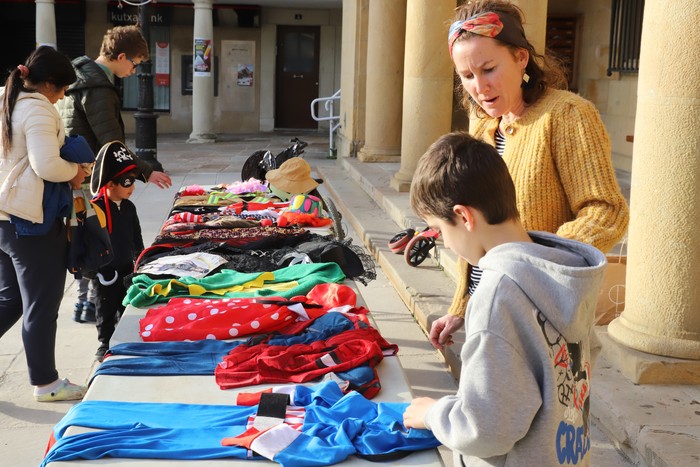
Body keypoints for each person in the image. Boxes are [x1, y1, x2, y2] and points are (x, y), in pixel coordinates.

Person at [429, 0, 629, 350]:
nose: (479, 87)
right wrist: (462, 306)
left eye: (489, 69)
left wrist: (538, 262)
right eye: (467, 76)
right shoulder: (482, 123)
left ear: (521, 58)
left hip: (541, 317)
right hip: (488, 309)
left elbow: (606, 209)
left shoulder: (566, 115)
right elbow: (476, 225)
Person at [403, 132, 605, 466]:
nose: (445, 245)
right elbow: (583, 357)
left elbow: (487, 429)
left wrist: (434, 413)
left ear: (464, 217)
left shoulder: (497, 294)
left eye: (439, 231)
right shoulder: (561, 273)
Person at [56, 25, 172, 323]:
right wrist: (146, 171)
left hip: (80, 172)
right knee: (94, 236)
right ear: (121, 56)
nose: (134, 71)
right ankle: (95, 304)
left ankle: (86, 303)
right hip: (89, 175)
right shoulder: (97, 88)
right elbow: (110, 142)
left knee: (82, 233)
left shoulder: (82, 77)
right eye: (134, 64)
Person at [0, 46, 89, 401]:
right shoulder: (37, 109)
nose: (63, 96)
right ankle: (47, 384)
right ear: (48, 83)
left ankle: (46, 380)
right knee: (41, 302)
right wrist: (76, 174)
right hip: (29, 220)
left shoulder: (7, 99)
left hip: (5, 216)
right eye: (62, 88)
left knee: (11, 299)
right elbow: (47, 166)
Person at [89, 141, 146, 362]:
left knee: (126, 303)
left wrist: (140, 259)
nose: (131, 188)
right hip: (105, 272)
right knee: (105, 307)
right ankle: (105, 342)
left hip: (126, 267)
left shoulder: (129, 207)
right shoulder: (97, 209)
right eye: (126, 183)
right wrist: (95, 270)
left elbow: (136, 236)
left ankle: (124, 337)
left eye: (133, 183)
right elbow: (89, 242)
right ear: (110, 184)